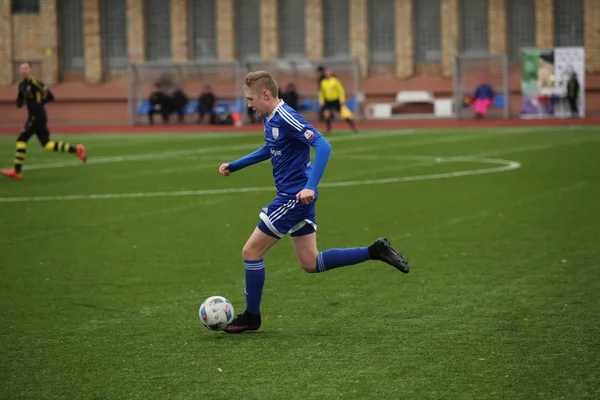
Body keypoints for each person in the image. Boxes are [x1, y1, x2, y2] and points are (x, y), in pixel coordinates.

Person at [217, 71, 410, 334]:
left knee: (250, 252)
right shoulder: (270, 118)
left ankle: (251, 317)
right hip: (298, 199)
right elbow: (269, 147)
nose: (248, 104)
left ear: (265, 94)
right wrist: (236, 165)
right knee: (310, 262)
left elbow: (324, 146)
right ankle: (374, 251)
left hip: (293, 198)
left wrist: (310, 186)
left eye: (251, 99)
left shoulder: (286, 117)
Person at [2, 62, 86, 180]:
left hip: (37, 116)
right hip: (33, 116)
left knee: (21, 140)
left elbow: (50, 96)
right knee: (46, 144)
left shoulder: (35, 83)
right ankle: (76, 149)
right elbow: (20, 99)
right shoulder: (21, 84)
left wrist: (39, 103)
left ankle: (16, 170)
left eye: (26, 68)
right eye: (22, 69)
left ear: (30, 70)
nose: (24, 70)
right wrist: (19, 103)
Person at [319, 68, 357, 133]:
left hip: (336, 100)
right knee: (326, 114)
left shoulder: (335, 81)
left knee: (344, 114)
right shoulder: (323, 82)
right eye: (326, 73)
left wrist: (342, 99)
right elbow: (321, 93)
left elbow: (340, 90)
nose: (327, 74)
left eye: (328, 73)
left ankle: (353, 127)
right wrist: (321, 101)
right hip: (328, 101)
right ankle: (328, 129)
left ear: (331, 74)